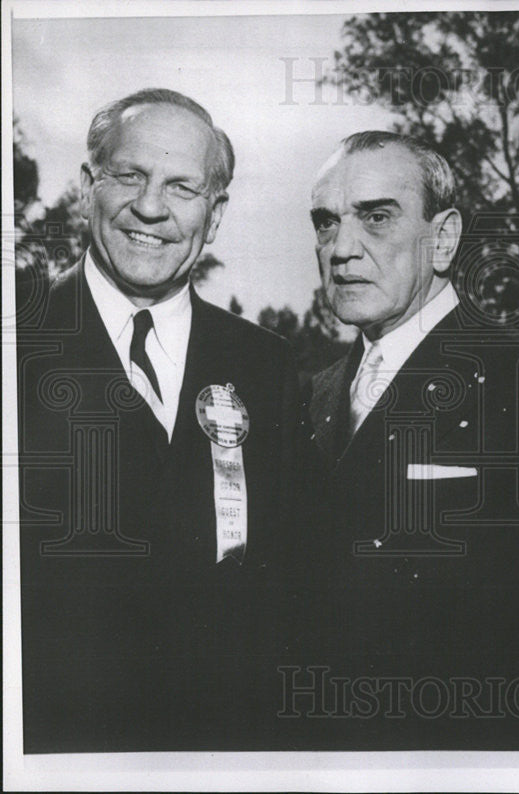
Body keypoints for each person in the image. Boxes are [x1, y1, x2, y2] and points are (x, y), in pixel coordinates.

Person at [17, 88, 303, 752]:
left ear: (216, 210)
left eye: (181, 186)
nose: (151, 207)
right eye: (130, 176)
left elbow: (284, 594)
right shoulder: (16, 339)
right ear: (89, 187)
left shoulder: (266, 366)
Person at [287, 131, 519, 749]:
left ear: (443, 239)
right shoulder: (312, 396)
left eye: (377, 218)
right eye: (326, 224)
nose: (342, 249)